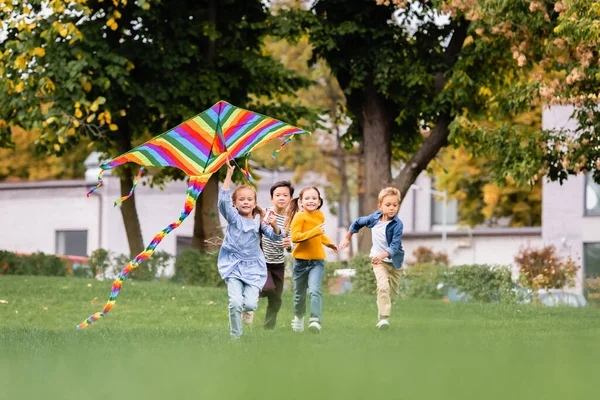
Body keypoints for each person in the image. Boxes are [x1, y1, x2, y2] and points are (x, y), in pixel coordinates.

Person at [217, 161, 283, 338]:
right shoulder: (233, 218)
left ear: (254, 203)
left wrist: (275, 225)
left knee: (250, 305)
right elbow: (223, 201)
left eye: (249, 199)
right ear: (235, 203)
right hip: (233, 265)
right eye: (241, 199)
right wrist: (229, 174)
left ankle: (248, 311)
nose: (245, 202)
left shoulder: (258, 221)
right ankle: (235, 337)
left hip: (254, 268)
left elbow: (274, 236)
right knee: (235, 302)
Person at [339, 187, 405, 330]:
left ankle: (383, 308)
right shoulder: (373, 219)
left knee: (392, 295)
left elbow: (394, 246)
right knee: (383, 287)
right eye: (388, 205)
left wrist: (382, 255)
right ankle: (383, 319)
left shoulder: (398, 225)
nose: (392, 208)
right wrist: (347, 237)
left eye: (395, 205)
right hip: (378, 261)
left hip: (394, 263)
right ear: (380, 206)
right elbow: (357, 223)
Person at [286, 186, 338, 334]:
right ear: (301, 202)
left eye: (314, 198)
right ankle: (298, 317)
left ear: (319, 201)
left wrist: (329, 243)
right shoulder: (299, 217)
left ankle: (315, 320)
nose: (311, 201)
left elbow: (319, 235)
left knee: (315, 290)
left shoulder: (320, 216)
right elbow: (295, 237)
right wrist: (315, 231)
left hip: (317, 262)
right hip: (300, 262)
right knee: (299, 295)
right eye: (307, 198)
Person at [259, 180, 294, 330]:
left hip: (278, 263)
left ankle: (269, 328)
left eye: (285, 195)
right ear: (271, 198)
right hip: (261, 261)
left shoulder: (291, 219)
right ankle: (249, 296)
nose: (281, 198)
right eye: (277, 195)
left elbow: (292, 243)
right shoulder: (265, 214)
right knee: (268, 289)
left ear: (290, 199)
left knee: (276, 299)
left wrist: (290, 246)